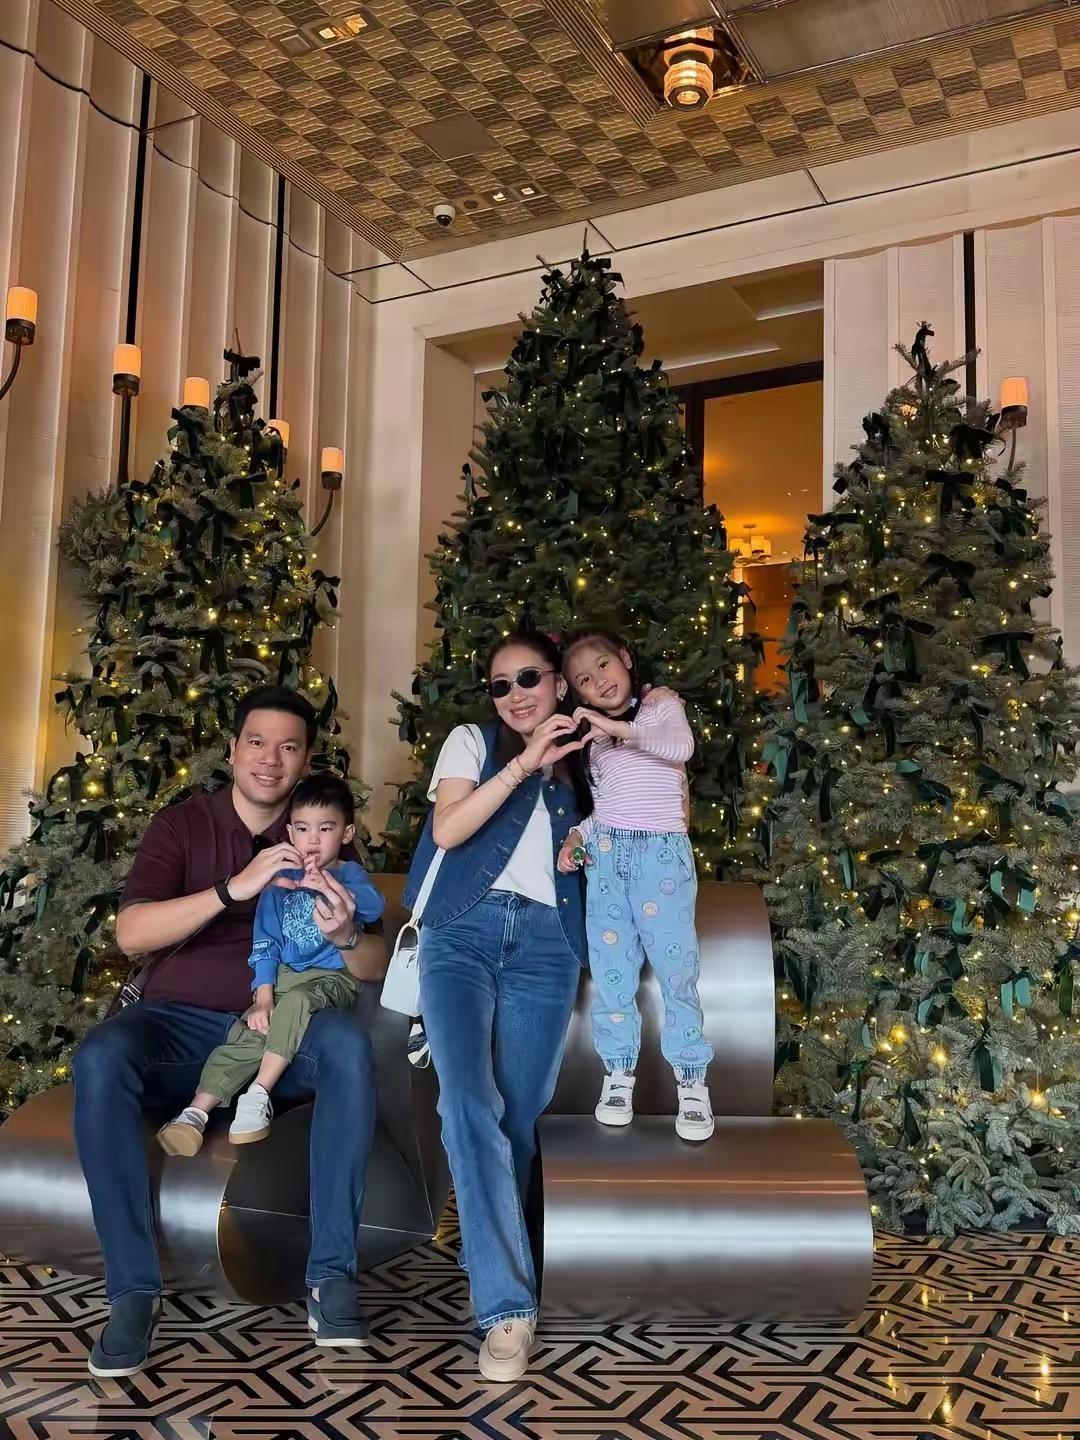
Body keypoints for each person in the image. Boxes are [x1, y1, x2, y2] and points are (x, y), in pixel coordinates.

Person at [72, 687, 386, 1379]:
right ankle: (132, 1291)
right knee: (101, 1055)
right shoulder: (183, 825)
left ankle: (331, 1277)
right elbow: (131, 934)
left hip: (285, 1030)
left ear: (306, 758)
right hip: (178, 1024)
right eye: (257, 743)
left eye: (289, 747)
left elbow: (376, 966)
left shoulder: (321, 831)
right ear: (234, 749)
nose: (271, 760)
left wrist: (345, 935)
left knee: (347, 1046)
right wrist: (231, 890)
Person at [404, 631, 590, 1383]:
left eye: (529, 679)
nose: (515, 695)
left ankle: (489, 1256)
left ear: (560, 686)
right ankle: (507, 1308)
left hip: (549, 945)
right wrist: (523, 763)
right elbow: (448, 828)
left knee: (515, 1119)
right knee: (465, 1102)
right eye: (500, 684)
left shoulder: (589, 759)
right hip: (462, 932)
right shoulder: (473, 742)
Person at [156, 773, 384, 1156]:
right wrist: (263, 996)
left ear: (346, 833)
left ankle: (257, 1095)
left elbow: (374, 907)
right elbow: (265, 944)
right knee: (251, 1033)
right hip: (284, 979)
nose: (313, 840)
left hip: (332, 977)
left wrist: (329, 887)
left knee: (295, 1003)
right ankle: (195, 1113)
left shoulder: (349, 875)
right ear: (289, 833)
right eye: (303, 829)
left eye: (326, 828)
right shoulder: (278, 884)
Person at [558, 629, 715, 1143]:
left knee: (677, 970)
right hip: (607, 859)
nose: (598, 681)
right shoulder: (595, 744)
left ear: (625, 659)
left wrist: (614, 726)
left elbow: (681, 747)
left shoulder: (660, 706)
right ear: (576, 693)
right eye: (584, 679)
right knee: (612, 973)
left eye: (603, 665)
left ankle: (691, 1079)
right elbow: (608, 809)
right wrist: (578, 837)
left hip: (660, 859)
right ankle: (618, 1072)